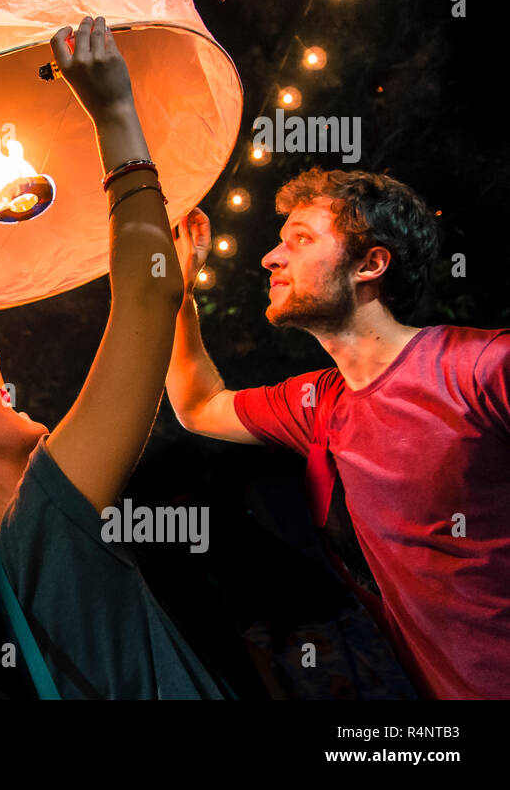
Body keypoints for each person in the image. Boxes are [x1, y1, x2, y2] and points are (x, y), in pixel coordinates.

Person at [0, 16, 233, 699]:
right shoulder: (40, 533)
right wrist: (114, 110)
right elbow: (143, 293)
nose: (0, 397)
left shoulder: (1, 578)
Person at [165, 171, 510, 699]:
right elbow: (197, 405)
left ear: (370, 265)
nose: (271, 258)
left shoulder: (481, 368)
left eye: (300, 239)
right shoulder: (318, 405)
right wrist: (178, 290)